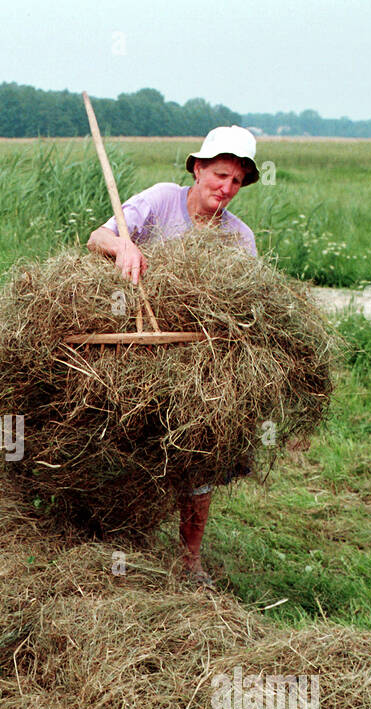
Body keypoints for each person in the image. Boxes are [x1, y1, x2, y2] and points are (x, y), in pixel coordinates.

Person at [87, 125, 260, 587]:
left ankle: (190, 561)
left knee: (200, 448)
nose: (225, 189)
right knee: (117, 437)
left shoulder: (239, 239)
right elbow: (95, 238)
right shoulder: (162, 200)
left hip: (193, 360)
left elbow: (246, 312)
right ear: (199, 168)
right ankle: (111, 535)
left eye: (236, 182)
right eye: (219, 175)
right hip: (133, 342)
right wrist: (124, 244)